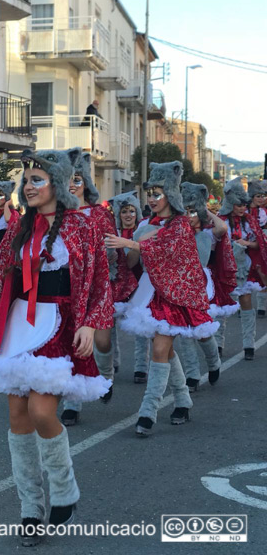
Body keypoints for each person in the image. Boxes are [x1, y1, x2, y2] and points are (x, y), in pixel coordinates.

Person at [0, 148, 112, 544]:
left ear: (57, 184)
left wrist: (92, 324)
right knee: (17, 418)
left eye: (37, 180)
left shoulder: (82, 226)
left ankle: (64, 490)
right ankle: (30, 508)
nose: (28, 187)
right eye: (26, 181)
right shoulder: (19, 228)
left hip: (58, 325)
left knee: (43, 411)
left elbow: (99, 281)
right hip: (17, 326)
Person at [107, 162, 217, 437]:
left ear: (170, 193)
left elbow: (166, 248)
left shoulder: (180, 224)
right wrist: (123, 249)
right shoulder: (149, 224)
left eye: (158, 193)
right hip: (152, 293)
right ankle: (183, 400)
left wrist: (133, 243)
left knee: (159, 350)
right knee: (164, 350)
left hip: (175, 294)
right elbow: (136, 260)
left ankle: (148, 411)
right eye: (150, 193)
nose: (152, 199)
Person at [60, 153, 117, 426]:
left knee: (102, 342)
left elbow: (111, 249)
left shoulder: (99, 214)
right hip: (67, 291)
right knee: (75, 344)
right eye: (68, 180)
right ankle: (72, 403)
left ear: (86, 184)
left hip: (97, 286)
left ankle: (106, 375)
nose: (72, 185)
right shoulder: (57, 215)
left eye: (77, 180)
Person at [174, 182, 232, 392]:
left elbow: (222, 228)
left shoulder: (208, 234)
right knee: (185, 332)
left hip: (203, 286)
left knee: (202, 332)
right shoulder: (177, 234)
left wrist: (203, 207)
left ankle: (214, 361)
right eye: (185, 211)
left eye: (192, 212)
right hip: (181, 286)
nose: (189, 216)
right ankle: (192, 376)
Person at [214, 177, 267, 361]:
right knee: (223, 306)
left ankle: (249, 345)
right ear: (231, 204)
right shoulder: (220, 221)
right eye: (239, 204)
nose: (243, 208)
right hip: (224, 269)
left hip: (244, 267)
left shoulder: (250, 221)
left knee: (246, 303)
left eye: (244, 204)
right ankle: (218, 345)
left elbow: (259, 244)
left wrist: (246, 243)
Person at [107, 191, 150, 383]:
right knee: (110, 325)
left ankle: (141, 366)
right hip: (116, 283)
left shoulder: (141, 233)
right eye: (124, 211)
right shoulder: (112, 234)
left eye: (132, 211)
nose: (128, 215)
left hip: (139, 282)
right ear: (119, 213)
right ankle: (112, 362)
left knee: (141, 324)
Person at [248, 180, 267, 316]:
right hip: (245, 246)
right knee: (244, 275)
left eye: (263, 195)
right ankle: (242, 304)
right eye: (258, 196)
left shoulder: (263, 212)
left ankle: (262, 306)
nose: (261, 198)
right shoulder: (244, 209)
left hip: (261, 246)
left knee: (262, 273)